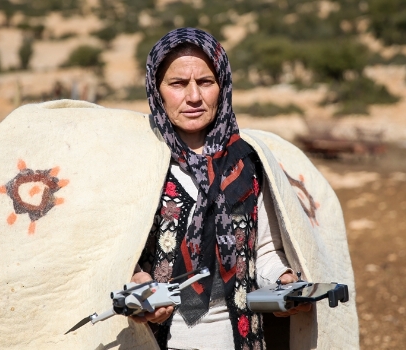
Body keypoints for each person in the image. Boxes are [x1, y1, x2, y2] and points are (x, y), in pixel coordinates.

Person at [129, 27, 315, 350]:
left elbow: (265, 252)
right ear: (156, 90)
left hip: (239, 340)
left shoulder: (247, 163)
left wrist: (285, 282)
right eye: (177, 84)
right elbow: (115, 257)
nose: (193, 97)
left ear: (223, 86)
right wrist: (138, 287)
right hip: (156, 341)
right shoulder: (138, 164)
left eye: (205, 82)